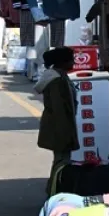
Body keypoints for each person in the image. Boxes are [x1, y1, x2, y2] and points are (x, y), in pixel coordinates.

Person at [34, 47, 79, 195]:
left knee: (60, 160)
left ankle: (54, 189)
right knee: (61, 161)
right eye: (71, 59)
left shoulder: (60, 77)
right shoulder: (57, 81)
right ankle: (54, 190)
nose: (73, 62)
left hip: (60, 127)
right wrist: (66, 135)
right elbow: (60, 110)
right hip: (60, 129)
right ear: (63, 62)